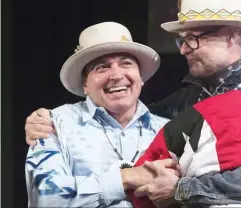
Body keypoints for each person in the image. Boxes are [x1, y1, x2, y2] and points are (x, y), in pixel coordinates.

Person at [25, 0, 241, 207]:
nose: (184, 49)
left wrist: (181, 190)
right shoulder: (186, 99)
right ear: (84, 83)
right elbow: (132, 113)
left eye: (192, 38)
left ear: (231, 37)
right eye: (182, 40)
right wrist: (42, 121)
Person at [25, 21, 180, 207]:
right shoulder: (53, 124)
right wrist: (125, 178)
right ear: (85, 84)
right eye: (102, 67)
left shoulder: (168, 130)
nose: (116, 75)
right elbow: (46, 198)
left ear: (141, 77)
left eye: (126, 64)